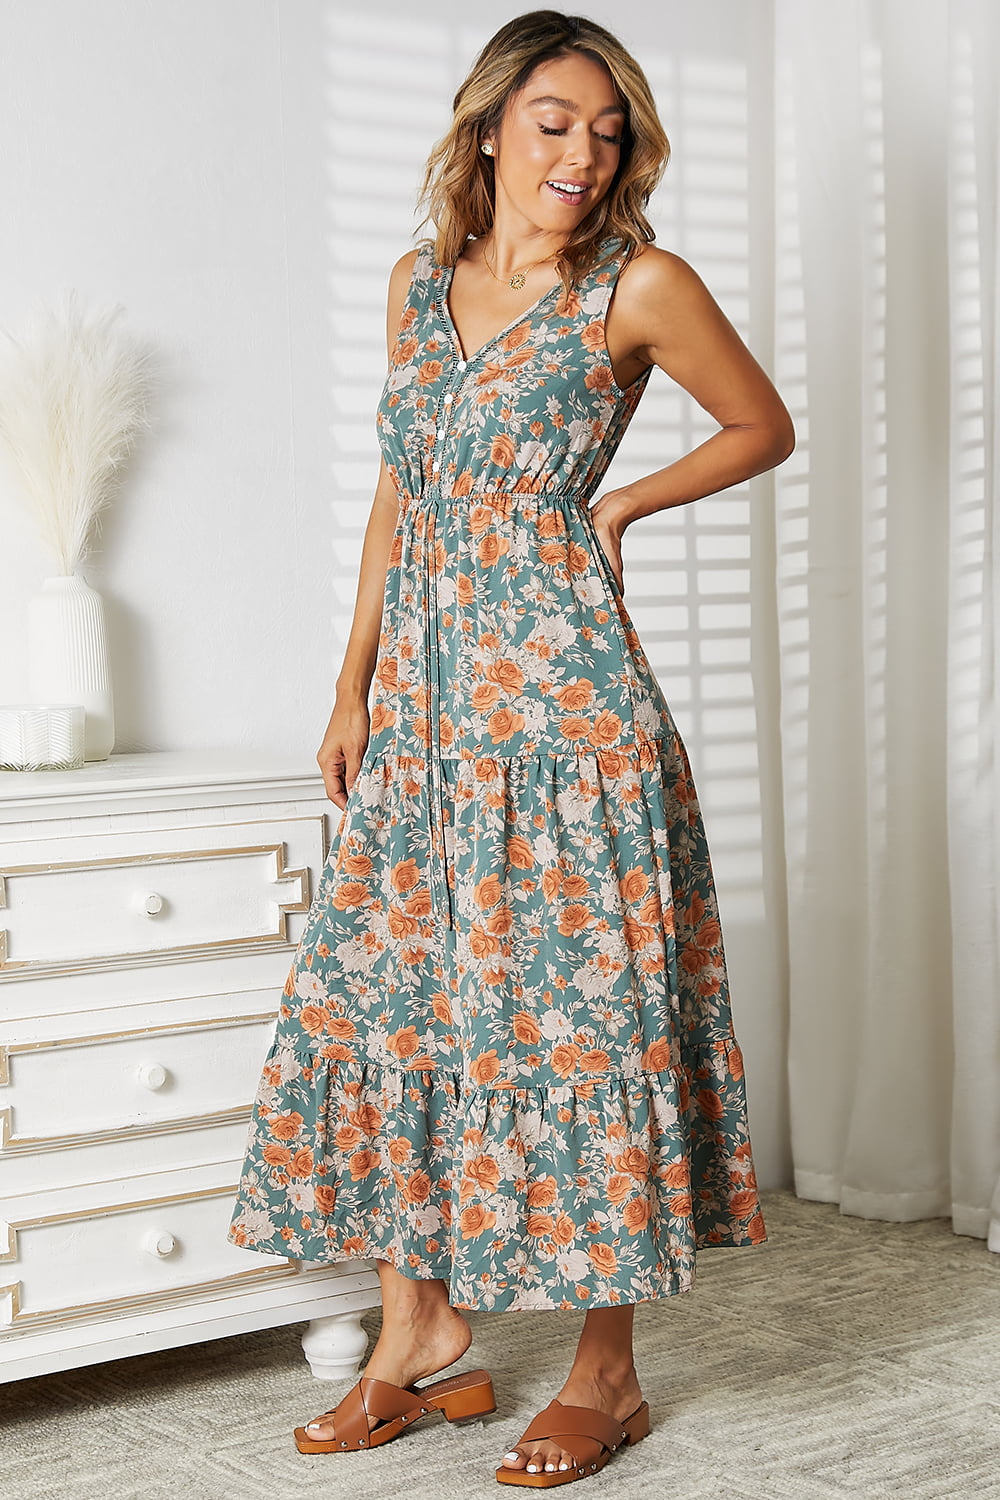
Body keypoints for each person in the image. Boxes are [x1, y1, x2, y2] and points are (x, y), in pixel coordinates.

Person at [229, 8, 794, 1488]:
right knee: (406, 1007)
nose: (583, 154)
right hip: (423, 717)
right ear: (488, 128)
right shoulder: (422, 285)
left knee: (579, 1020)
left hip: (565, 721)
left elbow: (761, 424)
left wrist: (618, 504)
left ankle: (606, 1376)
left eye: (608, 131)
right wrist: (351, 683)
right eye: (555, 122)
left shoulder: (639, 285)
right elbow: (399, 495)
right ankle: (425, 1345)